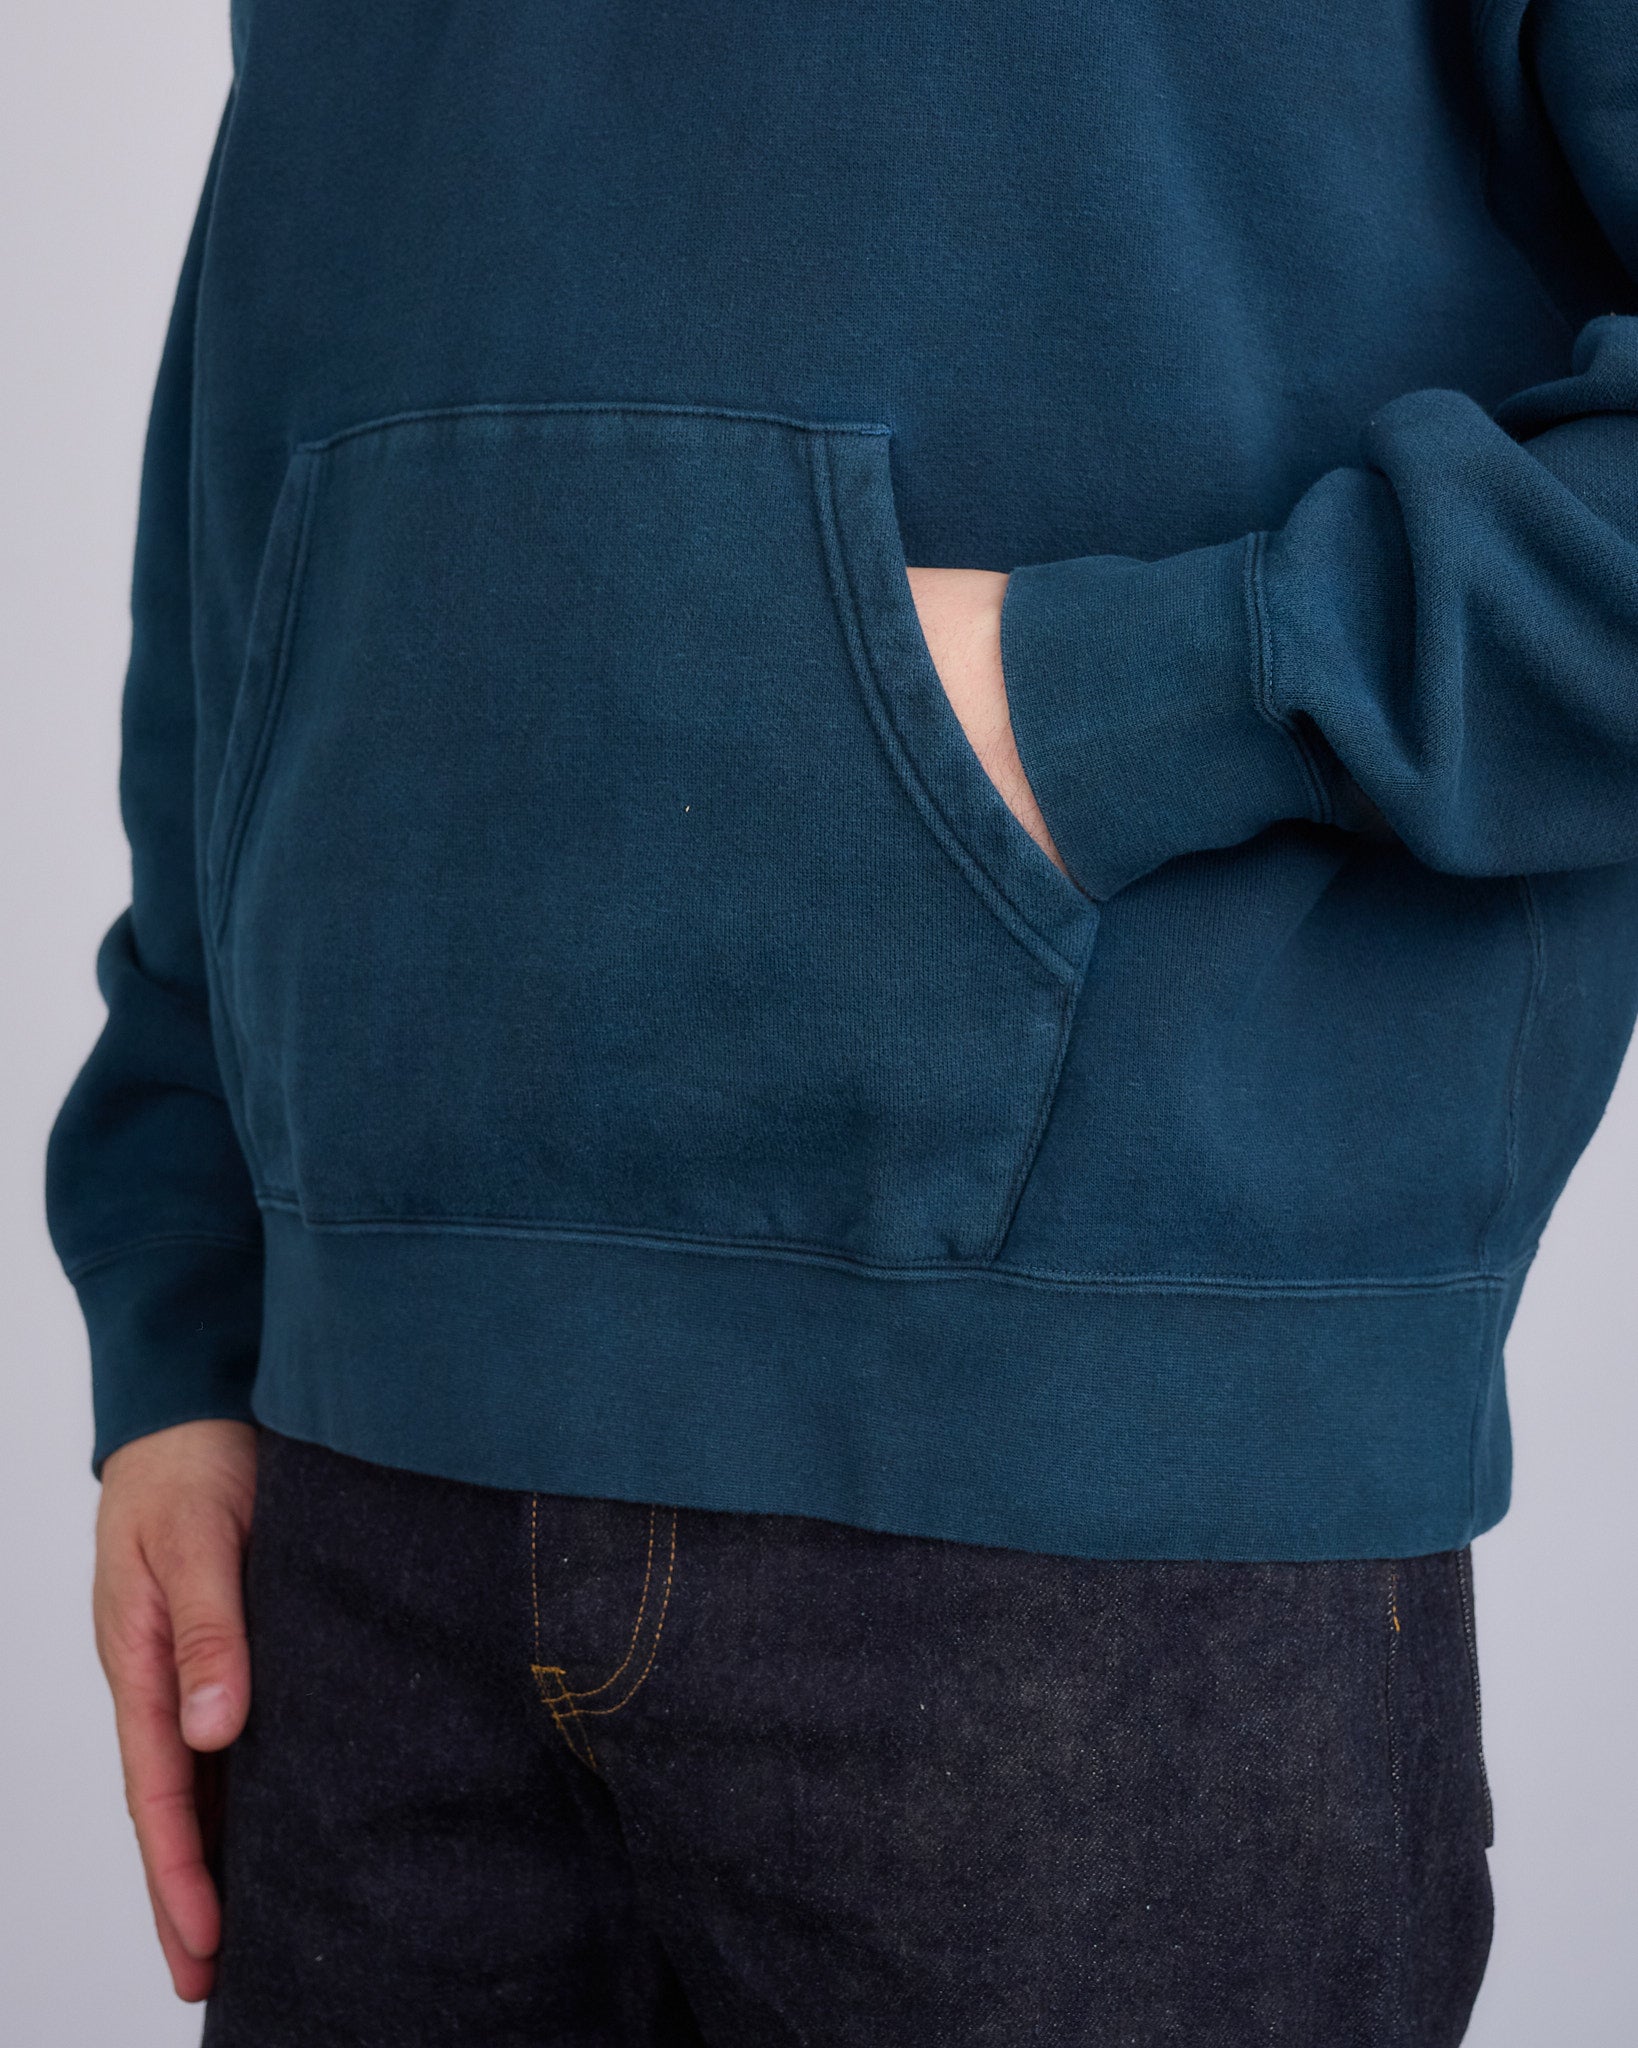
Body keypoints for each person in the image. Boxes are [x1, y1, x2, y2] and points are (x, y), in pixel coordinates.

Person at [46, 2, 1638, 2041]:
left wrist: (1158, 690)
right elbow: (268, 414)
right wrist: (178, 1312)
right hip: (352, 1502)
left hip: (1100, 1534)